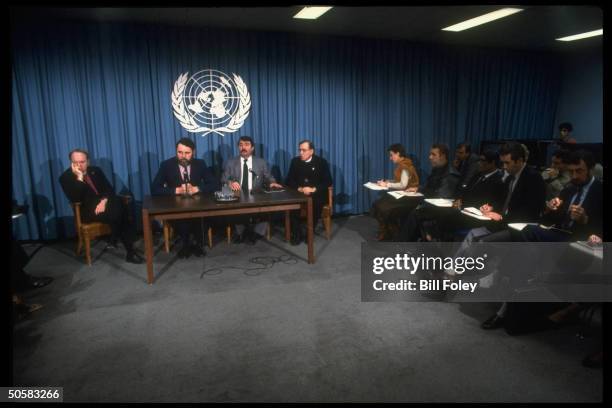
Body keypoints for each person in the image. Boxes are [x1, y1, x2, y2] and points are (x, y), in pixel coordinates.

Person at [59, 148, 143, 264]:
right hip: (87, 211)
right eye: (75, 162)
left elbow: (109, 190)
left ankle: (126, 247)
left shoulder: (95, 171)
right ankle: (127, 248)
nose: (79, 165)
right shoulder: (65, 178)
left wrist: (103, 202)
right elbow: (75, 198)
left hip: (105, 205)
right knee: (122, 208)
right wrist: (79, 178)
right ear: (71, 162)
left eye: (82, 162)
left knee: (118, 203)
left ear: (88, 161)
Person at [151, 138, 218, 259]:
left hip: (197, 204)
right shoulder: (166, 165)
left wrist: (197, 188)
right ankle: (185, 244)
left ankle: (198, 244)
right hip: (175, 205)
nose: (183, 156)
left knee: (202, 215)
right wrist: (176, 190)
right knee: (181, 218)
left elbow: (214, 184)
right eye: (180, 152)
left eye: (187, 153)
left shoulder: (200, 164)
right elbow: (154, 189)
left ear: (193, 152)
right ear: (176, 151)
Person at [221, 136, 283, 244]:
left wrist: (272, 182)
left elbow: (268, 176)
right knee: (234, 208)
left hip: (257, 194)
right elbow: (223, 179)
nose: (243, 147)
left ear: (252, 147)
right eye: (240, 145)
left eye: (246, 144)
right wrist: (230, 183)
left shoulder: (261, 162)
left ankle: (256, 233)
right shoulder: (231, 162)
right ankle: (242, 232)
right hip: (238, 195)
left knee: (267, 207)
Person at [285, 140, 332, 245]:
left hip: (315, 194)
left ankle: (309, 233)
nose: (301, 152)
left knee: (316, 204)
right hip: (299, 193)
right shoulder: (295, 161)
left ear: (311, 151)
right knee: (293, 205)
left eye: (304, 150)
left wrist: (313, 189)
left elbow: (328, 181)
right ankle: (297, 233)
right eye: (300, 150)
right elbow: (289, 180)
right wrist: (300, 189)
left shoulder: (321, 162)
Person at [370, 144, 419, 240]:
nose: (390, 158)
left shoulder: (405, 166)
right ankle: (387, 230)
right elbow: (400, 181)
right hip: (402, 194)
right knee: (378, 204)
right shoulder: (402, 165)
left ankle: (391, 231)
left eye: (392, 155)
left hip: (408, 197)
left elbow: (403, 185)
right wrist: (387, 181)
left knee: (382, 206)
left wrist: (387, 185)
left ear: (398, 153)